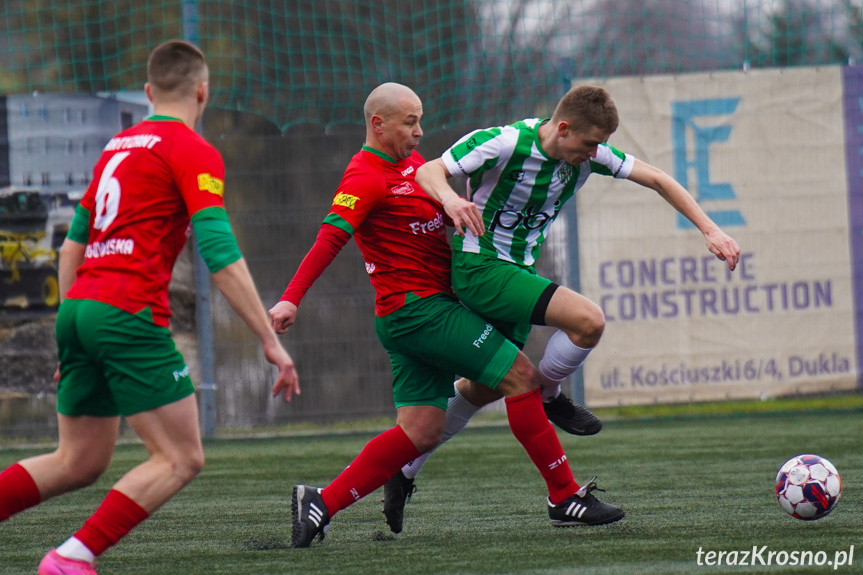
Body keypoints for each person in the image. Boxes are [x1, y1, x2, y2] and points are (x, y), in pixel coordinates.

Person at [269, 82, 624, 549]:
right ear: (378, 124)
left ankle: (321, 502)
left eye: (420, 120)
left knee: (421, 431)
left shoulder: (415, 167)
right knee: (520, 378)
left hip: (418, 314)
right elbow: (329, 238)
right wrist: (291, 298)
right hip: (419, 312)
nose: (420, 132)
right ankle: (564, 496)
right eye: (410, 122)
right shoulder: (364, 176)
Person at [0, 40, 300, 575]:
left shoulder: (116, 147)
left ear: (147, 92)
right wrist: (270, 341)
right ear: (203, 91)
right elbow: (220, 254)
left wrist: (75, 335)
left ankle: (70, 557)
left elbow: (70, 249)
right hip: (126, 313)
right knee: (182, 457)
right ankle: (71, 559)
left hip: (80, 309)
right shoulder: (193, 150)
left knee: (78, 461)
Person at [382, 84, 741, 529]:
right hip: (480, 268)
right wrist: (452, 198)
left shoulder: (591, 154)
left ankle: (404, 471)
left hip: (516, 273)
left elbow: (659, 179)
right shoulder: (505, 141)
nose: (595, 153)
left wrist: (711, 230)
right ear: (564, 128)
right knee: (588, 321)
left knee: (486, 387)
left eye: (601, 145)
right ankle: (552, 404)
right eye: (590, 143)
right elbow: (430, 172)